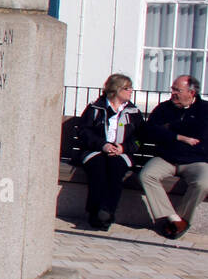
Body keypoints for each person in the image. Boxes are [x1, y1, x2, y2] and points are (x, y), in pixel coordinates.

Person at [139, 74, 208, 239]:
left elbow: (200, 134)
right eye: (172, 89)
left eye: (178, 90)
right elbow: (149, 132)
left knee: (203, 183)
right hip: (167, 158)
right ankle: (170, 218)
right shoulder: (164, 109)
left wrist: (169, 129)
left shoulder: (205, 110)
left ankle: (181, 220)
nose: (173, 93)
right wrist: (178, 136)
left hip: (196, 160)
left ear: (191, 93)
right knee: (147, 175)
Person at [74, 74, 142, 230]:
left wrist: (123, 148)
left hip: (121, 152)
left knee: (116, 169)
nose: (131, 91)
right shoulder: (95, 108)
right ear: (116, 89)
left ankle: (106, 212)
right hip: (96, 150)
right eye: (127, 88)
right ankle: (95, 212)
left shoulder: (133, 112)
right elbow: (84, 131)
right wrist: (102, 145)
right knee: (98, 170)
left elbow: (139, 138)